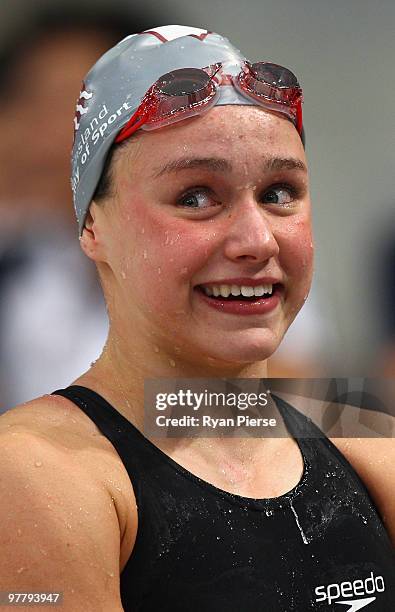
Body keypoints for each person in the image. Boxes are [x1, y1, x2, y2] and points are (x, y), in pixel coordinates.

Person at [0, 25, 394, 612]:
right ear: (90, 227)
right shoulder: (34, 470)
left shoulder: (365, 432)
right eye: (195, 196)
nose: (256, 240)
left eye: (280, 192)